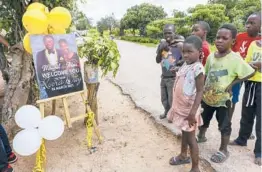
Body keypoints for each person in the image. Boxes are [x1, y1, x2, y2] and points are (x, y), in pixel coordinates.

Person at [197, 24, 255, 163]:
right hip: (207, 97)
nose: (220, 40)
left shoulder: (235, 59)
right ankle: (201, 136)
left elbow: (250, 71)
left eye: (225, 38)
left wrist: (232, 84)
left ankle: (223, 150)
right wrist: (202, 90)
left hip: (224, 100)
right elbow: (206, 74)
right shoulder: (211, 57)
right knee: (203, 119)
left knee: (224, 125)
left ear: (233, 41)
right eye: (218, 37)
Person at [167, 35, 204, 172]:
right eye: (184, 52)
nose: (186, 55)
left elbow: (200, 91)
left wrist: (192, 113)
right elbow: (185, 79)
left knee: (191, 139)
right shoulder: (186, 64)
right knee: (184, 134)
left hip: (189, 112)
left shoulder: (198, 68)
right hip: (181, 108)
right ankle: (183, 155)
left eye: (190, 52)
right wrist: (176, 70)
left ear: (199, 52)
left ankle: (195, 168)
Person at [230, 39, 262, 166]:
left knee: (261, 120)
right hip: (251, 83)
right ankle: (242, 139)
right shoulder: (254, 44)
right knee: (247, 113)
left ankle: (259, 152)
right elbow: (247, 62)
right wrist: (252, 64)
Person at [230, 13, 261, 137]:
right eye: (247, 23)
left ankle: (249, 131)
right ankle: (227, 124)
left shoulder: (259, 43)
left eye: (252, 23)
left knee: (250, 104)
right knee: (232, 97)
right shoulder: (239, 36)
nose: (248, 26)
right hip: (237, 73)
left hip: (253, 76)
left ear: (260, 26)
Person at [156, 24, 184, 120]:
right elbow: (157, 60)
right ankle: (166, 112)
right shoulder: (163, 45)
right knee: (164, 98)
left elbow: (185, 60)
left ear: (174, 33)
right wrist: (161, 49)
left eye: (169, 32)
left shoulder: (179, 45)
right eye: (165, 33)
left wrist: (177, 66)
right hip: (164, 76)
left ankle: (173, 115)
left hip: (173, 78)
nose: (167, 35)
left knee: (172, 99)